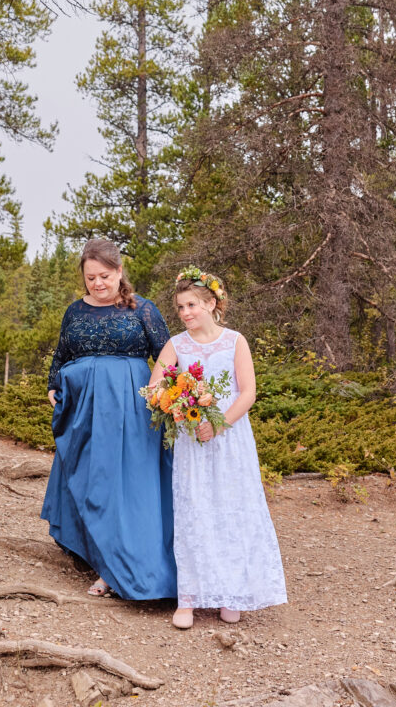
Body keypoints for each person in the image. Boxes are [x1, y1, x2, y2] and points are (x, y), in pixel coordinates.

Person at [150, 266, 287, 629]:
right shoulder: (176, 345)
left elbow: (248, 393)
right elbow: (155, 390)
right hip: (192, 442)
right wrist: (182, 411)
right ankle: (189, 598)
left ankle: (231, 593)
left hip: (231, 440)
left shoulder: (235, 341)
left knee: (231, 510)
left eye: (192, 305)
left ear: (212, 303)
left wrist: (219, 423)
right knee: (194, 511)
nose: (185, 313)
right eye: (180, 308)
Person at [41, 238, 176, 600]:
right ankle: (98, 556)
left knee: (127, 488)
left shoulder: (144, 310)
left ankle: (118, 570)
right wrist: (54, 384)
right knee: (93, 483)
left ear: (119, 272)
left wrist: (164, 397)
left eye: (104, 275)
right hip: (85, 412)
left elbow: (169, 355)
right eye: (90, 278)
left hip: (133, 413)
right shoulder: (74, 311)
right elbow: (62, 353)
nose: (97, 284)